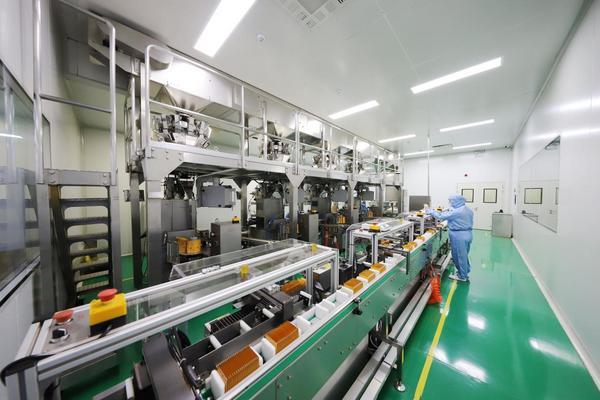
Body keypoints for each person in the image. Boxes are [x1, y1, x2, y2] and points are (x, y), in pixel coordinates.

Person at [426, 194, 473, 282]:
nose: (450, 203)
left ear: (457, 201)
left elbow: (440, 216)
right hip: (467, 234)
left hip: (459, 236)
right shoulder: (467, 209)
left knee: (458, 256)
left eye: (451, 201)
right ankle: (465, 272)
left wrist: (430, 211)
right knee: (464, 255)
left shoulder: (457, 212)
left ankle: (462, 276)